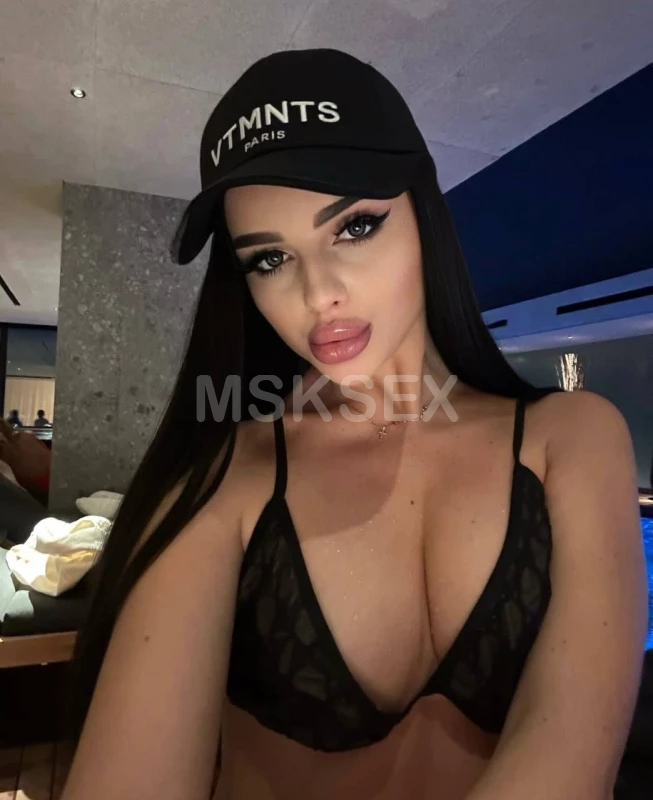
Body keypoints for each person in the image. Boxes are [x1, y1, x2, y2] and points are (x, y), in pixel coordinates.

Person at [62, 50, 647, 800]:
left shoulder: (574, 437)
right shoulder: (226, 479)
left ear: (423, 214)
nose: (318, 294)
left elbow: (570, 753)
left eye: (355, 227)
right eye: (270, 259)